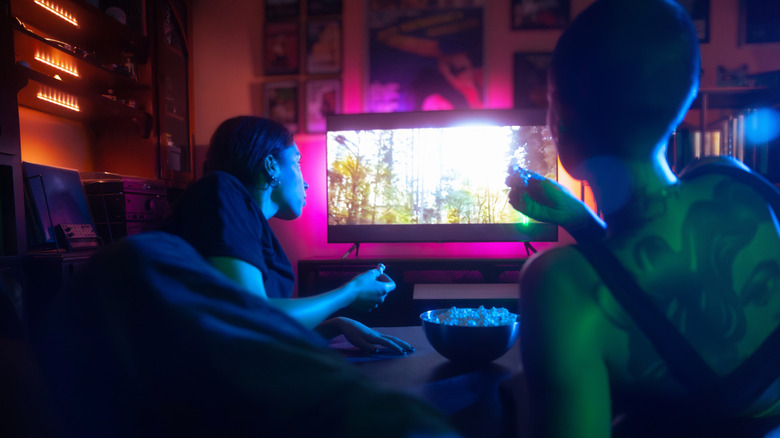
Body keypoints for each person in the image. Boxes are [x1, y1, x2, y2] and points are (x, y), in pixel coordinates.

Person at [505, 0, 780, 437]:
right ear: (684, 99)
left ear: (559, 115)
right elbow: (651, 280)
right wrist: (580, 222)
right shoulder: (734, 181)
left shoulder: (560, 284)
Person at [160, 115, 414, 354]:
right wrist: (350, 292)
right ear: (271, 165)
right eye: (296, 163)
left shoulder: (243, 218)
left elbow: (259, 328)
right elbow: (250, 316)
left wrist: (335, 326)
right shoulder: (221, 190)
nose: (306, 183)